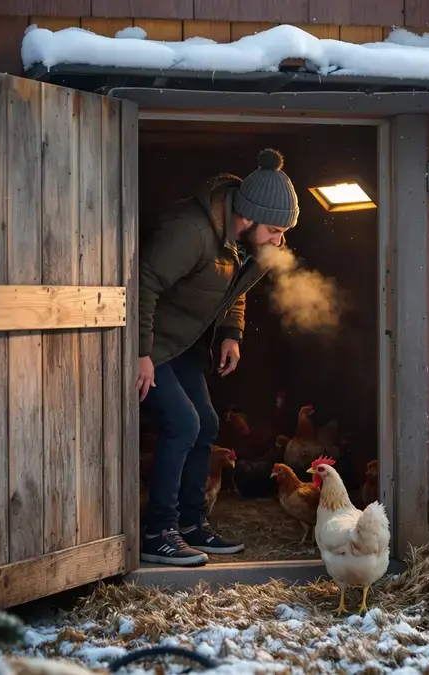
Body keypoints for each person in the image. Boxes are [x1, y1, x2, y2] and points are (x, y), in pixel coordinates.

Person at [135, 148, 300, 567]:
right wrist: (139, 352)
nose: (280, 241)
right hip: (151, 343)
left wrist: (231, 332)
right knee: (182, 424)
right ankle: (158, 532)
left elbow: (236, 287)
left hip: (184, 343)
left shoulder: (244, 242)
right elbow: (142, 284)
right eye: (276, 230)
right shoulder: (190, 232)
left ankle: (192, 524)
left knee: (206, 424)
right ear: (247, 217)